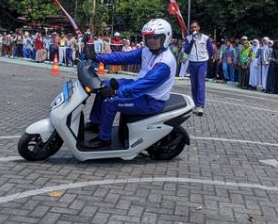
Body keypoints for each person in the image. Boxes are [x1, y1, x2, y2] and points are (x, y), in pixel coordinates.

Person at [85, 19, 178, 149]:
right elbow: (123, 57)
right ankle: (96, 123)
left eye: (156, 37)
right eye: (149, 37)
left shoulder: (164, 63)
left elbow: (143, 85)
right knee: (103, 86)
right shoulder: (147, 51)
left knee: (110, 102)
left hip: (150, 100)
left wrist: (117, 92)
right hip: (139, 89)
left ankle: (104, 139)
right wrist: (97, 57)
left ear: (165, 37)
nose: (151, 40)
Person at [183, 21, 214, 115]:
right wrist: (191, 42)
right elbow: (187, 50)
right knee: (194, 84)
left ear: (199, 28)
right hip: (192, 62)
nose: (194, 29)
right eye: (192, 28)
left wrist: (207, 57)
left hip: (202, 63)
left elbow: (211, 50)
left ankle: (200, 106)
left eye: (195, 27)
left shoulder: (205, 38)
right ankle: (195, 104)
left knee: (201, 84)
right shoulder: (188, 38)